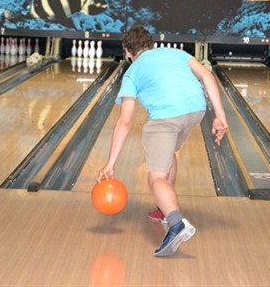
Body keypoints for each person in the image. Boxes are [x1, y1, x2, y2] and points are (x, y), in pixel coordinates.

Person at [97, 25, 228, 257]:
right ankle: (163, 208)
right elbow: (207, 76)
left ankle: (176, 224)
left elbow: (125, 122)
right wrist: (220, 115)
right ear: (152, 45)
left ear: (127, 52)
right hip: (196, 110)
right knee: (169, 155)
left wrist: (110, 163)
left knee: (156, 177)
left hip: (166, 117)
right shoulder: (176, 53)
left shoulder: (132, 72)